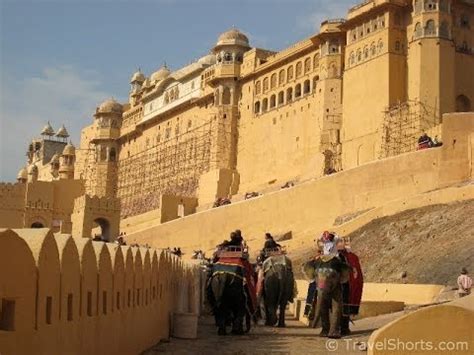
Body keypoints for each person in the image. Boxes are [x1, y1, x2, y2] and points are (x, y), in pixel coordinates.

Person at [337, 238, 363, 336]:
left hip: (346, 285)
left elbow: (356, 273)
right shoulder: (332, 256)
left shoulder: (352, 257)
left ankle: (344, 327)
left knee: (344, 307)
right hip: (334, 285)